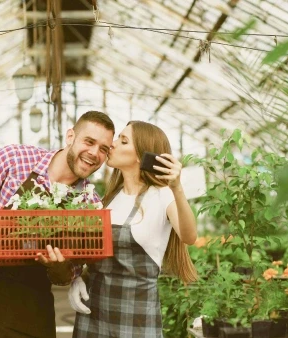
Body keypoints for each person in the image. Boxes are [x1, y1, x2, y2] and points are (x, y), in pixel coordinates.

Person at [0, 111, 115, 338]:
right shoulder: (15, 158)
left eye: (104, 149)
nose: (94, 153)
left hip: (32, 302)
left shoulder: (90, 205)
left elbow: (67, 276)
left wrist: (59, 266)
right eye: (89, 142)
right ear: (70, 136)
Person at [68, 121, 198, 338]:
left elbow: (189, 236)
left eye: (123, 140)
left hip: (136, 316)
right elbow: (98, 253)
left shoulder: (162, 194)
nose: (112, 144)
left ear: (141, 155)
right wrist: (79, 277)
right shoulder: (110, 199)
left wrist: (176, 187)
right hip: (95, 310)